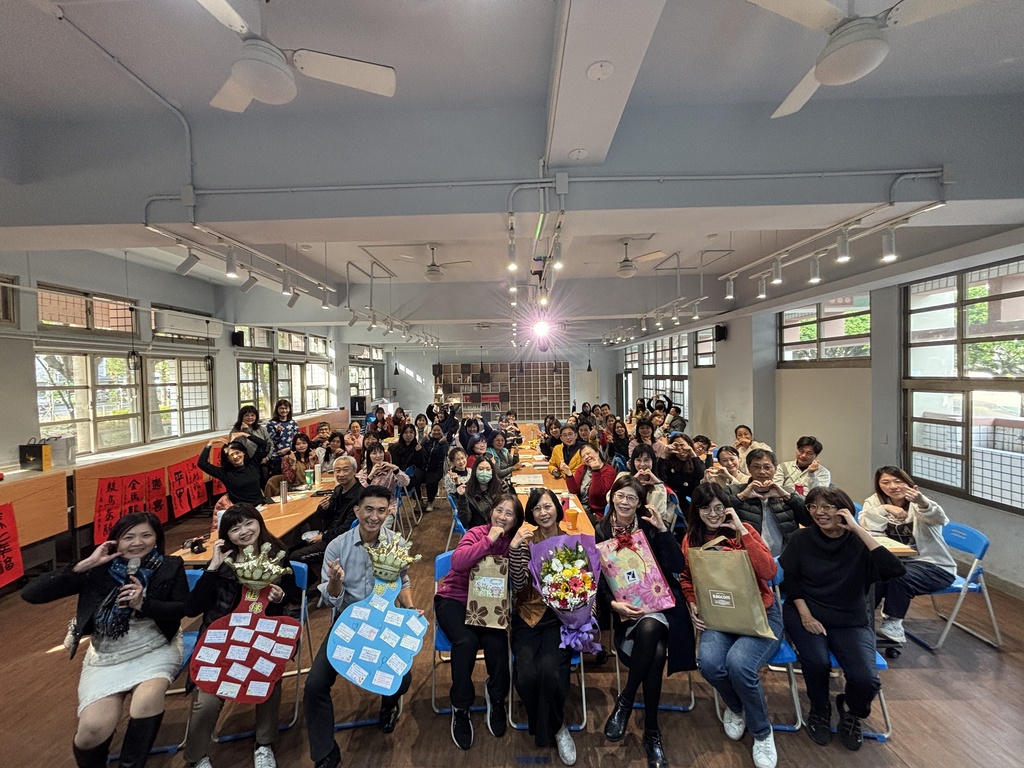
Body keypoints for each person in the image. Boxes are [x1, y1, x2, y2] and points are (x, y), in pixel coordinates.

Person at [23, 512, 188, 768]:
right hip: (107, 654)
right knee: (92, 731)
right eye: (129, 537)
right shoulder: (98, 569)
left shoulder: (169, 565)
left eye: (146, 535)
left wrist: (143, 604)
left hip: (155, 647)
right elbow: (32, 594)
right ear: (115, 541)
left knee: (146, 701)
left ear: (156, 538)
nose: (138, 542)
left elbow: (181, 610)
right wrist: (86, 564)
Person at [780, 486, 906, 752]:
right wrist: (806, 616)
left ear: (843, 510)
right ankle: (820, 708)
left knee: (866, 679)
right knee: (817, 662)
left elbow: (895, 569)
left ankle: (850, 710)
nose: (819, 512)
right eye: (813, 506)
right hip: (806, 611)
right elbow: (791, 582)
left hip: (849, 617)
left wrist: (858, 529)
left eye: (827, 507)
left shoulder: (859, 543)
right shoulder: (801, 539)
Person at [303, 486, 421, 768]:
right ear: (357, 511)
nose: (374, 516)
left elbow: (403, 581)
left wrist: (409, 608)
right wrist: (334, 581)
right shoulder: (337, 546)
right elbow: (331, 599)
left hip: (385, 621)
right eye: (368, 509)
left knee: (401, 679)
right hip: (348, 622)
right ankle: (325, 752)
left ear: (388, 512)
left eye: (381, 510)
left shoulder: (396, 543)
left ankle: (389, 705)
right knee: (314, 685)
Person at [182, 504, 300, 768]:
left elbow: (293, 595)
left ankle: (264, 744)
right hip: (223, 642)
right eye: (235, 528)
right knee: (206, 701)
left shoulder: (277, 556)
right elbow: (192, 608)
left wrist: (281, 596)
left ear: (259, 523)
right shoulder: (223, 563)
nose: (244, 531)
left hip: (263, 639)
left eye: (249, 523)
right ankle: (196, 757)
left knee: (268, 681)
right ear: (227, 535)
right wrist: (213, 567)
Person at [680, 483, 782, 768]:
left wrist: (742, 531)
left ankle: (762, 732)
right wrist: (692, 602)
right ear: (696, 511)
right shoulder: (691, 539)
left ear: (727, 507)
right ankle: (737, 707)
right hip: (720, 616)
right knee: (709, 663)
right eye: (705, 509)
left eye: (718, 508)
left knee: (739, 664)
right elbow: (687, 578)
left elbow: (769, 571)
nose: (713, 514)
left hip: (760, 615)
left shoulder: (743, 530)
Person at [598, 476, 693, 768]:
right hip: (627, 611)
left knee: (652, 627)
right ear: (612, 497)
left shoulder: (650, 527)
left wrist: (663, 531)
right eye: (620, 496)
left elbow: (677, 566)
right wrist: (613, 604)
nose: (625, 502)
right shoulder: (601, 529)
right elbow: (598, 579)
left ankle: (626, 700)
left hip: (661, 605)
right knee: (656, 652)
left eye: (632, 498)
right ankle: (652, 733)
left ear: (640, 503)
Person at [435, 494, 525, 749]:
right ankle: (460, 706)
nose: (502, 517)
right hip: (454, 599)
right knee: (466, 641)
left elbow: (518, 582)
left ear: (516, 520)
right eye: (499, 510)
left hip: (488, 604)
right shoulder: (477, 533)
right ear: (491, 512)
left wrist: (515, 548)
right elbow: (458, 562)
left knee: (497, 642)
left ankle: (496, 697)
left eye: (509, 513)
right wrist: (489, 540)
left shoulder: (513, 542)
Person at [508, 488, 577, 766]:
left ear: (558, 509)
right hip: (528, 615)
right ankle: (553, 725)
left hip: (560, 619)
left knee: (550, 670)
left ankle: (557, 728)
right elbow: (519, 585)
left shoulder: (572, 542)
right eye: (537, 508)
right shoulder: (526, 541)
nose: (543, 512)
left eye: (547, 506)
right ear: (531, 514)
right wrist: (515, 549)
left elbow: (587, 585)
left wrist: (584, 616)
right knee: (526, 674)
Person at [859, 466, 957, 643]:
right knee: (871, 576)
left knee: (899, 577)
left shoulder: (919, 503)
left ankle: (894, 623)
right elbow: (866, 525)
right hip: (897, 561)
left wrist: (922, 501)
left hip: (933, 565)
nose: (892, 486)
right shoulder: (874, 501)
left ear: (908, 483)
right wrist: (885, 508)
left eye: (898, 481)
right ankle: (861, 618)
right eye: (886, 482)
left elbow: (939, 518)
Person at [726, 449, 808, 557]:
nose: (762, 472)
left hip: (784, 557)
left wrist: (788, 497)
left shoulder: (787, 492)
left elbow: (808, 520)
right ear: (748, 468)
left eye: (767, 467)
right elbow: (719, 517)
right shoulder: (733, 491)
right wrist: (741, 497)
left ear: (775, 469)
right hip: (748, 557)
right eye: (756, 467)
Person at [198, 433, 269, 512]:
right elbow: (202, 463)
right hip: (242, 511)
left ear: (243, 453)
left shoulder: (252, 465)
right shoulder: (224, 473)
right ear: (227, 459)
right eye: (231, 455)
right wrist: (210, 443)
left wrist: (243, 434)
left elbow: (263, 444)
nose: (235, 457)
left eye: (237, 453)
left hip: (262, 506)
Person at [563, 443, 616, 525]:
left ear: (597, 452)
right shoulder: (582, 468)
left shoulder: (609, 471)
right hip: (580, 507)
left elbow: (598, 494)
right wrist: (569, 474)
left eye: (588, 453)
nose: (586, 457)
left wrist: (596, 470)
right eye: (583, 456)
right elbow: (574, 491)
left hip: (597, 513)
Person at [356, 442, 409, 523]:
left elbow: (406, 483)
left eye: (380, 452)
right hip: (369, 505)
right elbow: (360, 492)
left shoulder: (390, 471)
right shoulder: (363, 473)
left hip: (388, 505)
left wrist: (395, 469)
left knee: (382, 525)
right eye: (374, 453)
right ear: (369, 456)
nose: (378, 456)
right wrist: (371, 475)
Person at [626, 444, 672, 530]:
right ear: (633, 462)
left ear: (653, 462)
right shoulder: (623, 477)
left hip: (648, 526)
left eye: (646, 460)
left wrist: (657, 484)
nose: (642, 464)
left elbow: (657, 512)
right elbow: (611, 499)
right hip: (626, 522)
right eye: (638, 460)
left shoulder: (658, 486)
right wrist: (632, 481)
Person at [455, 455, 503, 530]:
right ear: (475, 471)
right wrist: (462, 498)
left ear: (492, 471)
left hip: (500, 526)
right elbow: (464, 521)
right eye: (481, 469)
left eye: (488, 469)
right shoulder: (467, 491)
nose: (484, 472)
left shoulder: (500, 486)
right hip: (480, 530)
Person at [656, 433, 704, 501]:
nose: (679, 448)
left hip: (693, 497)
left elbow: (700, 475)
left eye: (682, 445)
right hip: (674, 498)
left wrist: (693, 455)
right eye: (676, 445)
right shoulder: (668, 461)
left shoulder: (695, 460)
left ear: (689, 445)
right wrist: (664, 453)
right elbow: (660, 476)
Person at [389, 423, 426, 498]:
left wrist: (418, 453)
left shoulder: (418, 447)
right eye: (405, 432)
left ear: (414, 434)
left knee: (416, 474)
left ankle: (417, 498)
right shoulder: (394, 448)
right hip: (397, 475)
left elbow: (421, 464)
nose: (408, 435)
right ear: (402, 434)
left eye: (411, 432)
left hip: (411, 478)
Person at [421, 422, 450, 511]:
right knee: (415, 479)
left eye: (438, 430)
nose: (436, 432)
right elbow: (421, 452)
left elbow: (442, 455)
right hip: (423, 466)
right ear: (431, 431)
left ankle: (430, 501)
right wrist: (424, 442)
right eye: (434, 430)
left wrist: (441, 444)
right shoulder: (427, 440)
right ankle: (419, 500)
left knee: (431, 482)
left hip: (436, 468)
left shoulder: (444, 443)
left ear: (442, 432)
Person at [266, 399, 299, 476]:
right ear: (277, 409)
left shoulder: (293, 423)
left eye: (286, 408)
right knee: (278, 478)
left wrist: (288, 449)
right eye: (281, 408)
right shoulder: (271, 423)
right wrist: (278, 432)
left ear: (289, 409)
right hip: (276, 457)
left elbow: (297, 439)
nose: (284, 410)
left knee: (291, 476)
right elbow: (271, 441)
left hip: (290, 455)